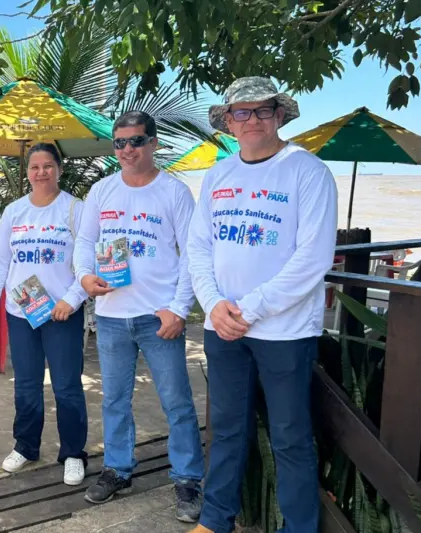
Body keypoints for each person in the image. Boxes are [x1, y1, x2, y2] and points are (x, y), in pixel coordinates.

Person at [187, 77, 338, 533]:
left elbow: (313, 259)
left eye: (262, 110)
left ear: (279, 115)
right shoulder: (218, 174)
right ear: (228, 122)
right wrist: (213, 304)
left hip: (284, 332)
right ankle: (215, 520)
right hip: (223, 328)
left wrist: (247, 310)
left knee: (291, 437)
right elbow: (198, 248)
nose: (252, 119)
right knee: (226, 430)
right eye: (241, 112)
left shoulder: (307, 171)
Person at [73, 111, 204, 521]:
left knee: (176, 402)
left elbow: (194, 255)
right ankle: (117, 469)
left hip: (157, 317)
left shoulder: (174, 192)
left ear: (154, 143)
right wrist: (84, 277)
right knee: (114, 400)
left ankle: (187, 479)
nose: (127, 149)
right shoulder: (102, 191)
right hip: (112, 316)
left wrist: (179, 308)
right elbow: (85, 241)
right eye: (120, 142)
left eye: (136, 141)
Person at [0, 143, 89, 486]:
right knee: (26, 384)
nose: (41, 172)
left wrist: (71, 300)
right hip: (22, 310)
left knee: (67, 386)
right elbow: (0, 261)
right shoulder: (13, 211)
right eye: (34, 167)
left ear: (60, 168)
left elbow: (89, 263)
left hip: (62, 313)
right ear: (26, 172)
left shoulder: (75, 210)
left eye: (47, 165)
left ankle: (73, 453)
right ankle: (26, 446)